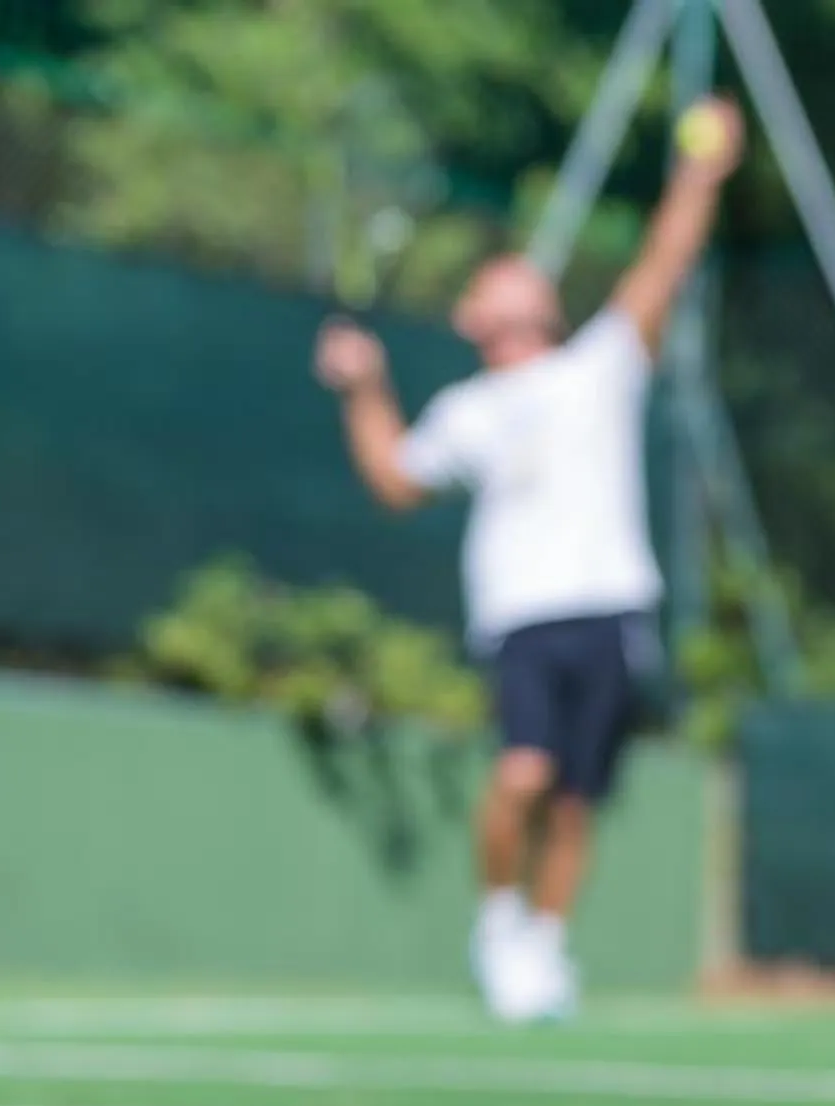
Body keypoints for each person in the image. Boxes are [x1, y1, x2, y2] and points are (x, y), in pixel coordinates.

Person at [313, 99, 745, 1023]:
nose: (516, 276)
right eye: (498, 274)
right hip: (523, 616)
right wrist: (365, 387)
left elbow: (664, 262)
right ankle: (499, 922)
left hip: (613, 608)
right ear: (478, 313)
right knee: (523, 775)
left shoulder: (601, 365)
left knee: (577, 804)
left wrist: (698, 175)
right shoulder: (469, 411)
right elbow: (395, 478)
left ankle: (545, 947)